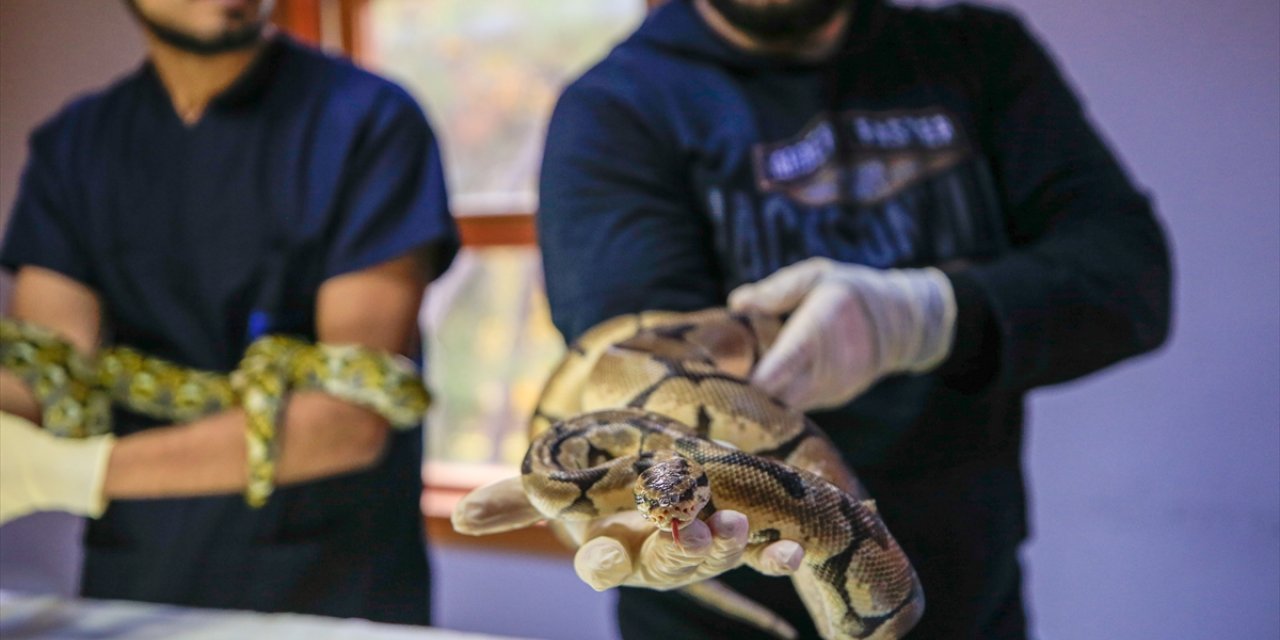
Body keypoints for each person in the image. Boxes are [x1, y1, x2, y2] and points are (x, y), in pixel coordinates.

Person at [458, 0, 1172, 638]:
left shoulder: (979, 53)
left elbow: (1128, 280)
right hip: (707, 591)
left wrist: (920, 316)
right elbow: (625, 342)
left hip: (971, 587)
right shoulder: (619, 102)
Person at [0, 0, 457, 625]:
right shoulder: (75, 146)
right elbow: (44, 370)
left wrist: (78, 472)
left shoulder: (368, 122)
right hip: (136, 578)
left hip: (331, 586)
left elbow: (351, 416)